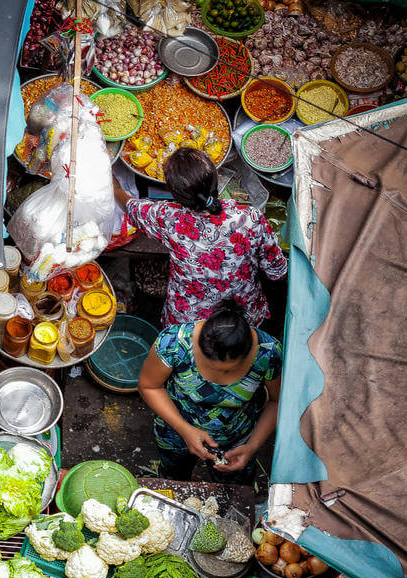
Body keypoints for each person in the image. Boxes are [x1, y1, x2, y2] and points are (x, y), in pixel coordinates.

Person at [113, 147, 287, 327]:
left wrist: (108, 171)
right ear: (216, 178)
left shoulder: (168, 218)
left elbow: (127, 203)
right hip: (243, 317)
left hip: (189, 321)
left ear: (174, 193)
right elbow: (278, 272)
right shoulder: (250, 218)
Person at [138, 298, 282, 483]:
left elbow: (277, 401)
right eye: (209, 366)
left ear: (249, 353)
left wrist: (252, 446)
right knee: (174, 479)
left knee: (233, 490)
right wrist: (184, 429)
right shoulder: (173, 343)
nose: (217, 377)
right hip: (175, 430)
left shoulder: (268, 354)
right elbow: (149, 386)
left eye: (227, 370)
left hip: (235, 440)